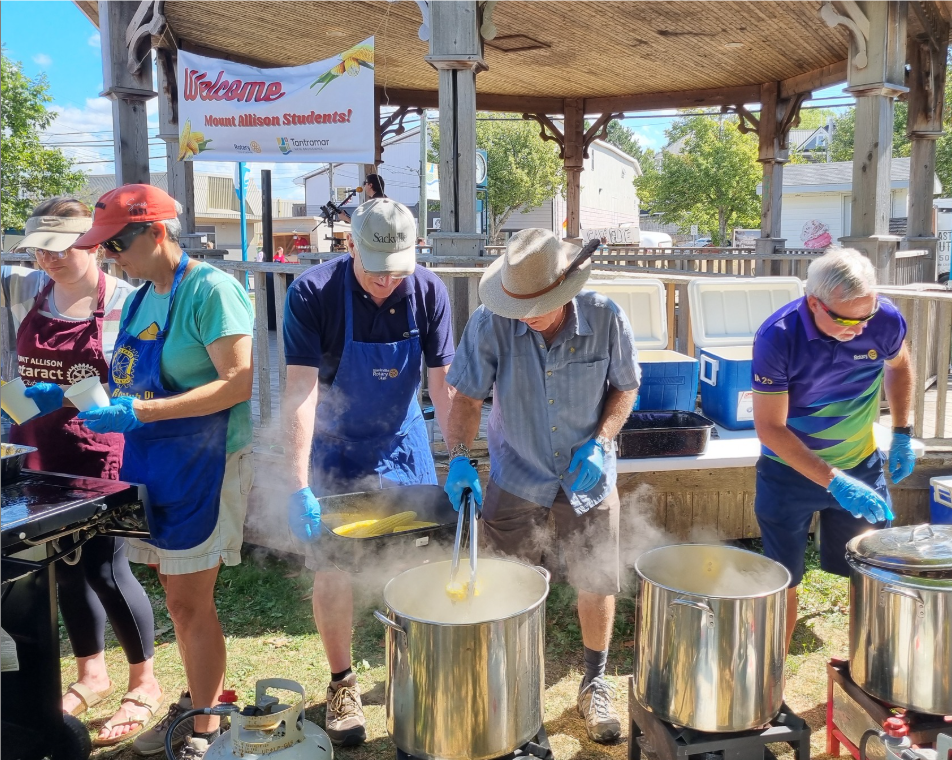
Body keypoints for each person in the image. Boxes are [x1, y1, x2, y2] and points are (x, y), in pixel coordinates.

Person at [73, 185, 255, 760]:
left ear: (156, 232)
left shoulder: (211, 290)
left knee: (189, 602)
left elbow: (239, 383)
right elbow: (131, 380)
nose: (109, 257)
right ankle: (199, 700)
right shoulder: (138, 300)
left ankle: (207, 726)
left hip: (207, 462)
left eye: (117, 244)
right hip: (154, 463)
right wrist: (70, 398)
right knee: (176, 594)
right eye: (103, 247)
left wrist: (144, 412)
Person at [444, 229, 640, 743]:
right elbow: (465, 399)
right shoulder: (490, 322)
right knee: (505, 580)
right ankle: (506, 684)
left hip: (587, 476)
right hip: (517, 472)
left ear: (567, 290)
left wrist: (601, 442)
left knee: (596, 579)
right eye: (518, 306)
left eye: (536, 307)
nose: (525, 316)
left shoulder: (606, 317)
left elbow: (625, 388)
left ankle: (594, 682)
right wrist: (460, 458)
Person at [281, 197, 454, 745]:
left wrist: (458, 459)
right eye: (376, 269)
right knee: (332, 569)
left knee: (416, 560)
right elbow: (300, 393)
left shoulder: (429, 291)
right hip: (334, 449)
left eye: (397, 270)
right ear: (351, 245)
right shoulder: (312, 293)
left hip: (403, 442)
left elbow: (443, 387)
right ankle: (342, 683)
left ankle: (416, 671)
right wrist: (297, 485)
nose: (386, 282)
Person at [2, 198, 162, 746]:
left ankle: (144, 682)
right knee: (61, 567)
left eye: (60, 247)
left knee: (104, 568)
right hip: (38, 447)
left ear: (91, 243)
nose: (48, 259)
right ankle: (91, 672)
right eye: (39, 250)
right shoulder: (26, 290)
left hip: (98, 448)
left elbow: (137, 382)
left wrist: (74, 396)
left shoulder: (125, 302)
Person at [751, 248, 915, 650]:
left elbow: (899, 366)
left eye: (866, 317)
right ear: (814, 303)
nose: (859, 330)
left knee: (873, 573)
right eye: (846, 320)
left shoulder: (885, 319)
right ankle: (771, 672)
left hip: (861, 465)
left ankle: (874, 663)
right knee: (783, 579)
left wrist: (902, 431)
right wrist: (834, 481)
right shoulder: (778, 337)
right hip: (788, 473)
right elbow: (770, 428)